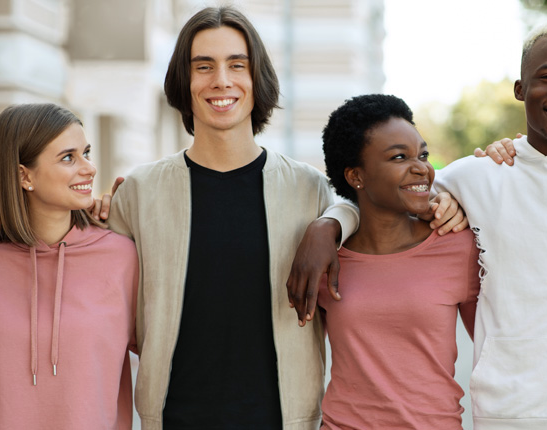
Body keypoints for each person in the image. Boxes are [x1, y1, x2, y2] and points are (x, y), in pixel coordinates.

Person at [291, 18, 547, 429]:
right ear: (520, 89)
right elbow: (385, 204)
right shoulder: (473, 175)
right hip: (506, 416)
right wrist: (329, 223)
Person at [99, 6, 463, 429]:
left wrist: (335, 221)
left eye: (238, 65)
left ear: (258, 81)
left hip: (284, 420)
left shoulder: (308, 189)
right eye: (204, 66)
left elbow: (368, 208)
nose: (222, 80)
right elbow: (106, 306)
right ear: (184, 80)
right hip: (174, 418)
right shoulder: (139, 193)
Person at [317, 94, 481, 429]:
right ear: (356, 176)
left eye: (422, 154)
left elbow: (498, 344)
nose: (421, 167)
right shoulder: (325, 261)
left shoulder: (458, 247)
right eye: (399, 157)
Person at [0, 103, 138, 429]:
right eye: (68, 157)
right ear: (23, 175)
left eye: (86, 152)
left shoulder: (122, 258)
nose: (89, 168)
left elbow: (173, 351)